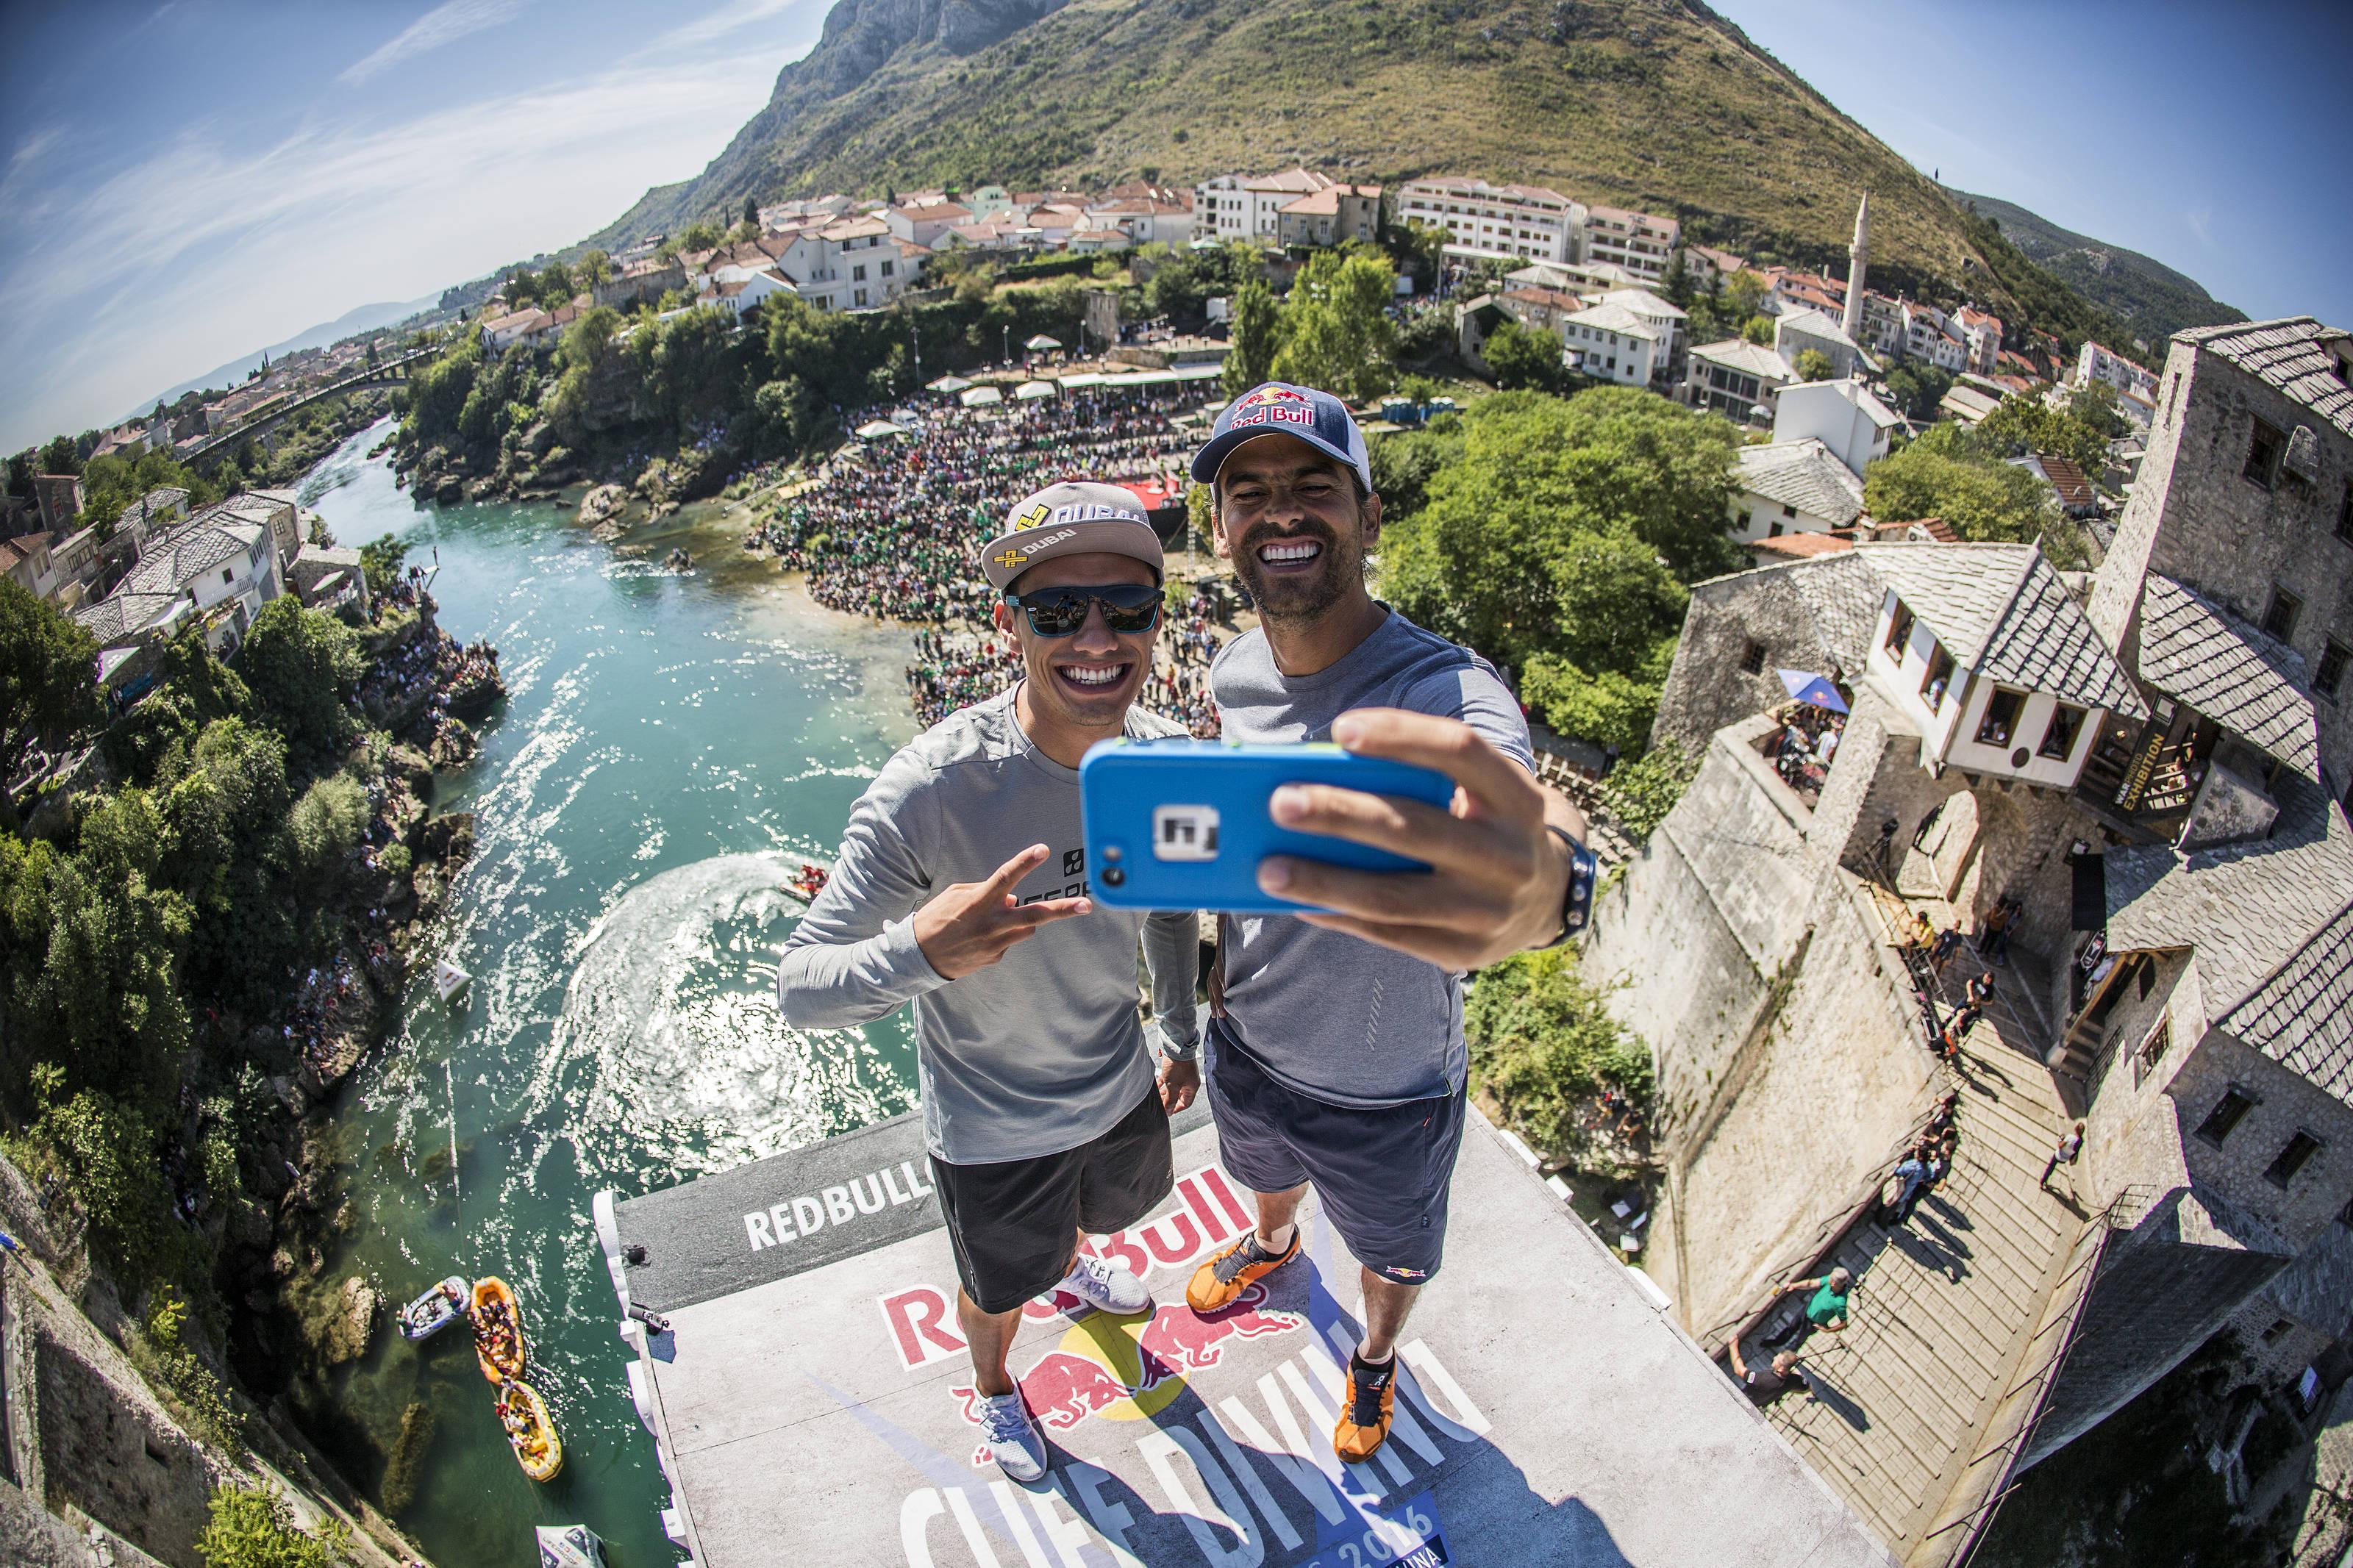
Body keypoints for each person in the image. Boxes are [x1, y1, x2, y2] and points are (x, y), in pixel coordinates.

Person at [1174, 384, 1596, 1463]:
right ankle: (1272, 1249)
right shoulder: (1232, 673)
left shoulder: (1443, 687)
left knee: (1394, 1260)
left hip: (1390, 1090)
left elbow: (1517, 815)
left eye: (1314, 487)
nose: (1280, 512)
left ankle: (1374, 1360)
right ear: (1220, 529)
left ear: (1370, 518)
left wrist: (1550, 887)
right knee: (1264, 1185)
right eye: (1248, 492)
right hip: (1251, 1046)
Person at [776, 482, 1202, 1483]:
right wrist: (923, 950)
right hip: (992, 1133)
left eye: (1126, 607)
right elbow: (800, 986)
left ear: (1154, 622)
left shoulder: (1166, 761)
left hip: (1119, 1090)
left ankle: (1074, 1262)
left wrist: (1177, 1029)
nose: (1096, 635)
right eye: (1059, 610)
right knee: (997, 1290)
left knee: (1100, 1221)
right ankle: (999, 1389)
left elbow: (1178, 904)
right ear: (1009, 624)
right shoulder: (930, 790)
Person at [1726, 1336, 1810, 1407]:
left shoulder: (1764, 1379)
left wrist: (1733, 1346)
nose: (1774, 1358)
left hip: (1743, 1404)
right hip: (1759, 1406)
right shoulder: (1794, 1380)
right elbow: (1806, 1388)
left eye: (1777, 1360)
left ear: (1781, 1369)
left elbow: (1739, 1371)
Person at [1779, 1267, 1854, 1335]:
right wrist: (1793, 1285)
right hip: (1807, 1309)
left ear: (1833, 1283)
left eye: (1831, 1277)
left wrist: (1828, 1330)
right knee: (1790, 1329)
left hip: (1813, 1324)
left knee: (1798, 1341)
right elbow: (1811, 1283)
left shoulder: (1839, 1302)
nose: (1829, 1278)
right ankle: (1771, 1343)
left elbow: (1844, 1324)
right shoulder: (1829, 1281)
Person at [2040, 1122, 2085, 1192]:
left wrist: (2059, 1138)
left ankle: (2042, 1182)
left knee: (2050, 1168)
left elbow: (2060, 1146)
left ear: (2076, 1129)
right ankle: (2045, 1181)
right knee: (2052, 1168)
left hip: (2059, 1155)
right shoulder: (2080, 1142)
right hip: (2065, 1159)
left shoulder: (2070, 1137)